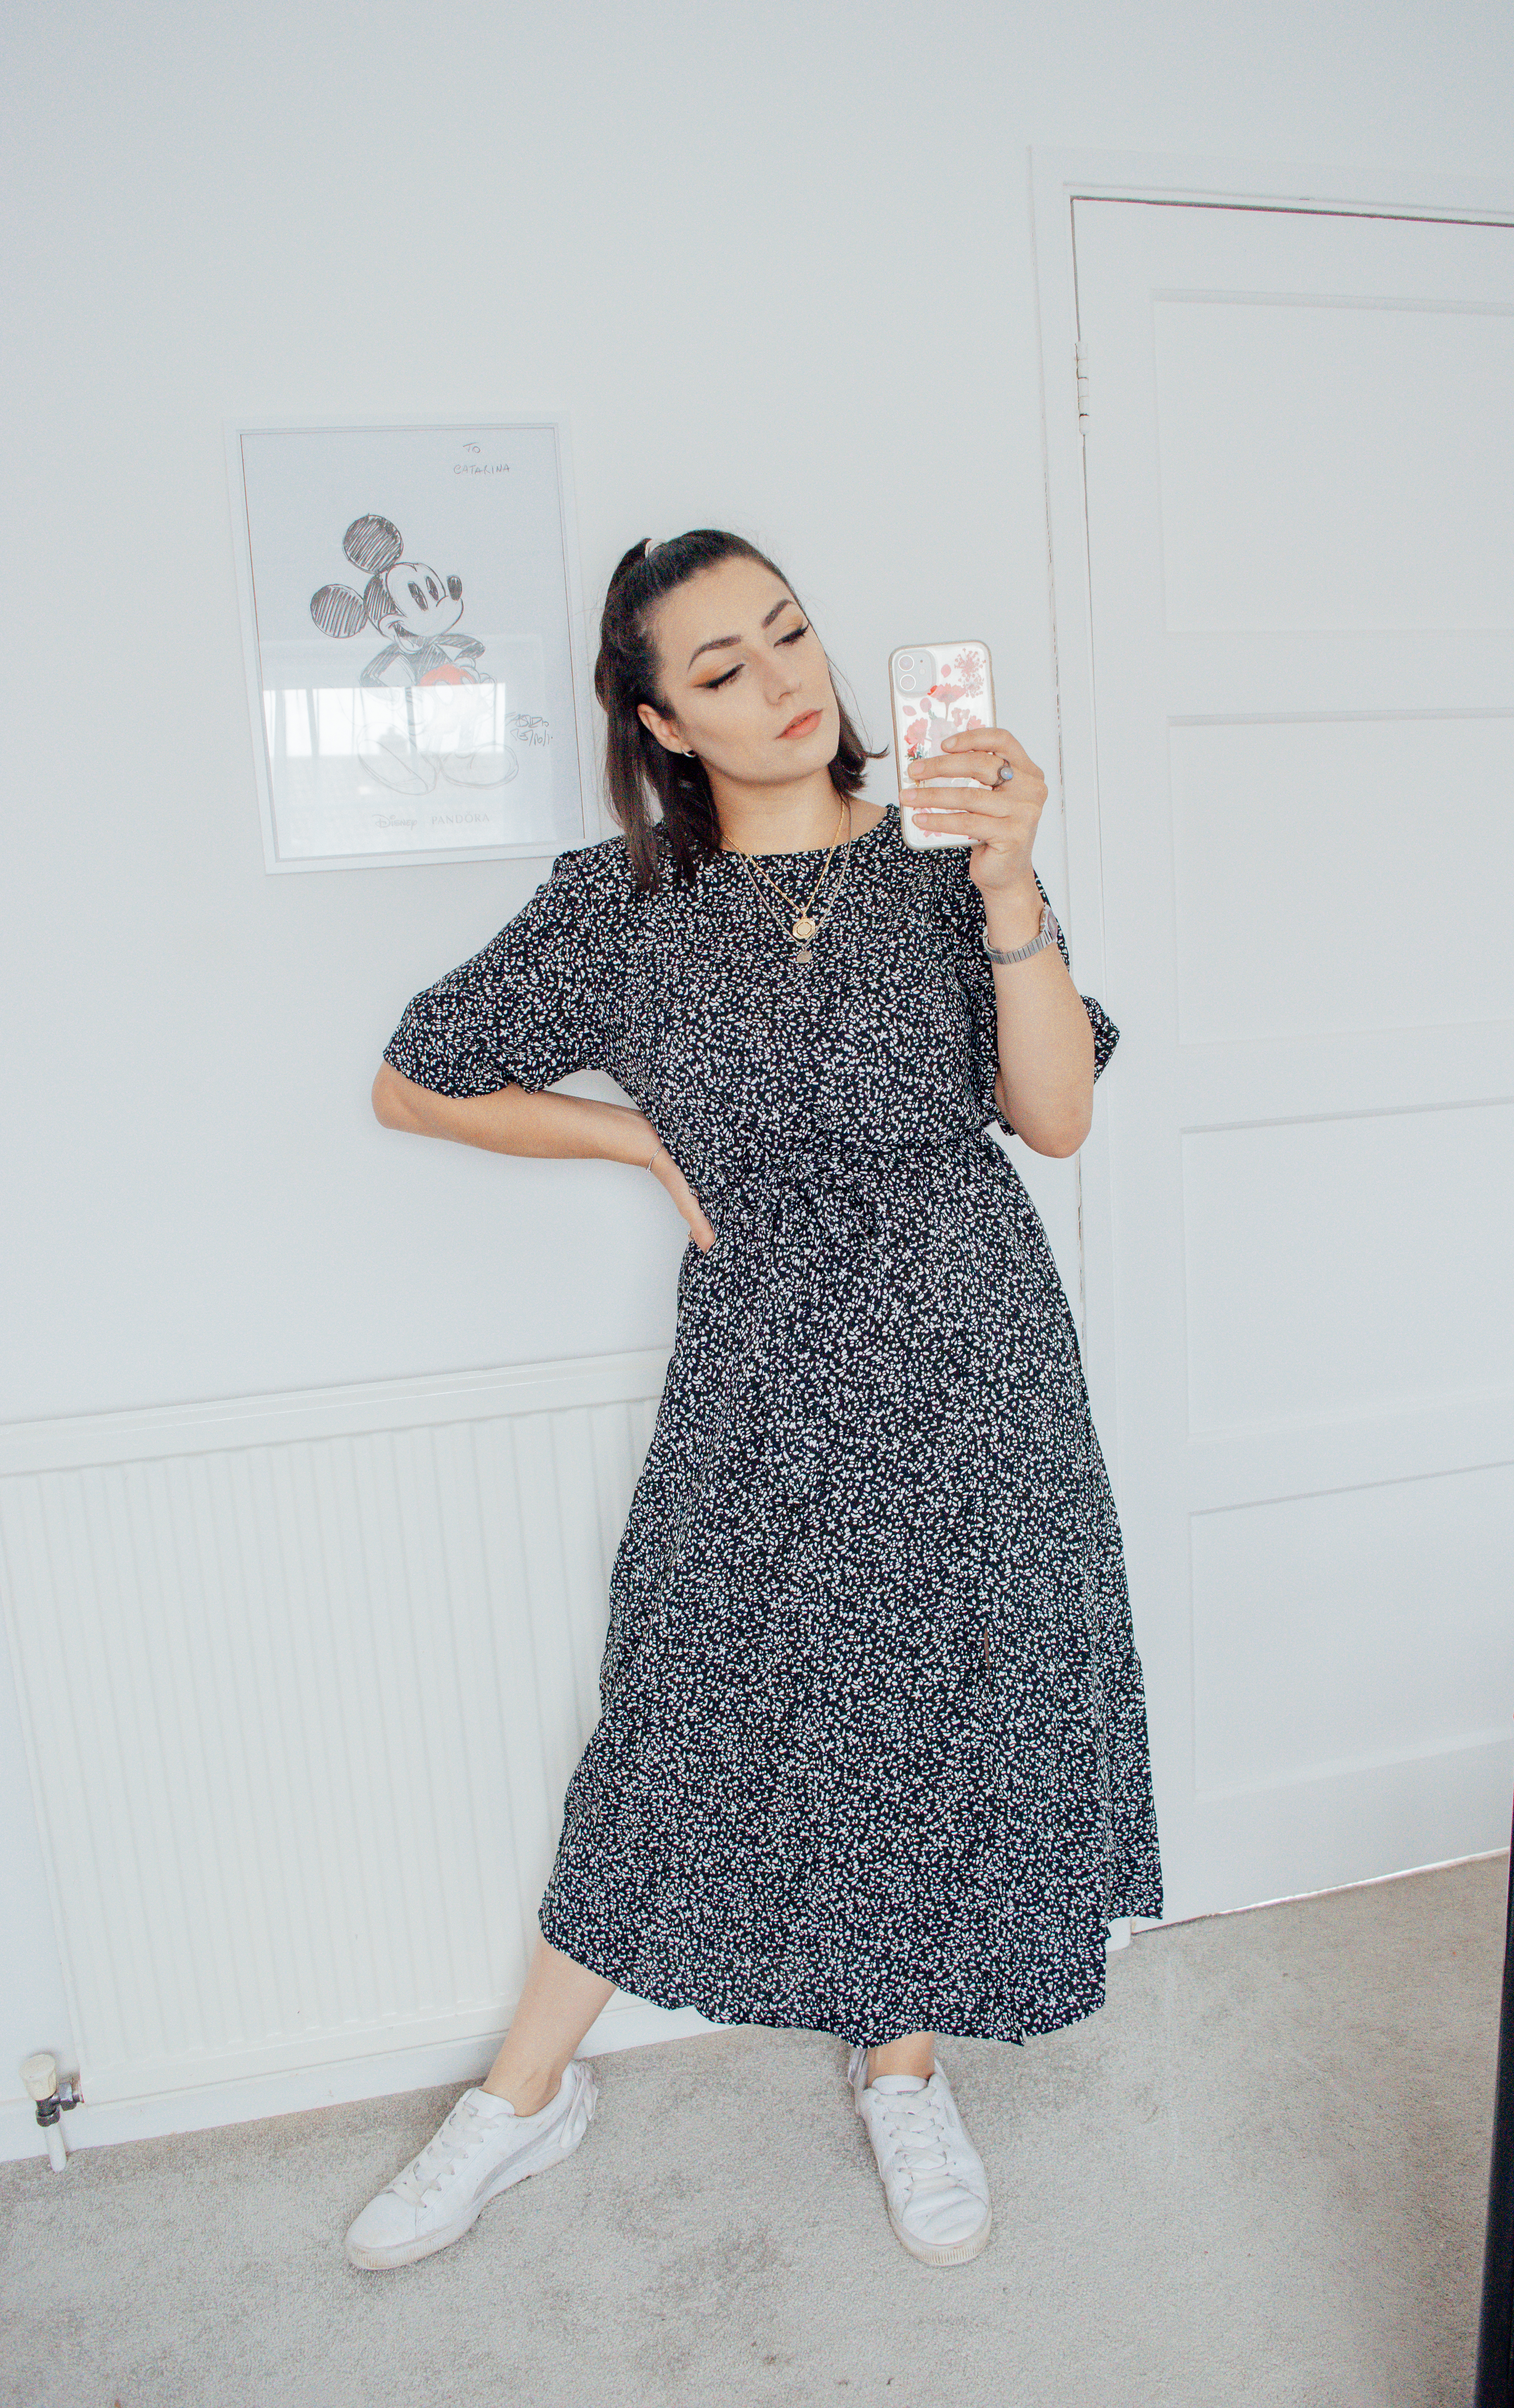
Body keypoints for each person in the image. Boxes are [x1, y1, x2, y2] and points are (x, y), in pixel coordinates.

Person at [346, 529, 1162, 2274]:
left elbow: (1059, 1117)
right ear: (658, 720)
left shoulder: (950, 863)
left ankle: (904, 2063)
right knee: (683, 1713)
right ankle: (521, 2099)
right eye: (723, 667)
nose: (787, 683)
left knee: (945, 1702)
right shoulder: (616, 908)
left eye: (789, 635)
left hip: (968, 1356)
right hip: (762, 1369)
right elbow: (417, 1081)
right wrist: (635, 1132)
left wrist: (1015, 886)